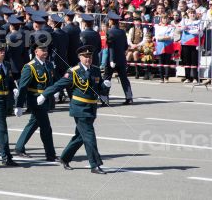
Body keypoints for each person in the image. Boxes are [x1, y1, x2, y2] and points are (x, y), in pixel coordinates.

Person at [36, 45, 110, 174]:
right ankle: (95, 164)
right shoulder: (74, 71)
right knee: (89, 136)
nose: (88, 59)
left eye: (90, 56)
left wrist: (105, 87)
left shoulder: (96, 70)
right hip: (80, 108)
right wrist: (44, 94)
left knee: (80, 136)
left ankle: (65, 158)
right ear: (79, 57)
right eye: (85, 56)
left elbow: (98, 88)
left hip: (92, 108)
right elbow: (59, 84)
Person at [14, 39, 59, 162]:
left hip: (46, 100)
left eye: (46, 49)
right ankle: (50, 154)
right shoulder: (30, 67)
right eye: (42, 50)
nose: (45, 52)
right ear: (36, 51)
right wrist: (18, 105)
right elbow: (23, 87)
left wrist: (56, 92)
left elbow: (52, 81)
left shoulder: (49, 64)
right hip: (35, 100)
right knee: (46, 128)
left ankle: (19, 147)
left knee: (33, 124)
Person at [102, 11, 133, 105]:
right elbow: (125, 47)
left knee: (107, 79)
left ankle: (104, 99)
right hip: (121, 59)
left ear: (111, 21)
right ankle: (129, 97)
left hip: (112, 59)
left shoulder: (110, 32)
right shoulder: (122, 32)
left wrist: (111, 60)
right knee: (124, 79)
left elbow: (111, 47)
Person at [154, 14, 174, 83]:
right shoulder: (157, 27)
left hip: (168, 45)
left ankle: (166, 77)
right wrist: (165, 37)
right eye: (163, 18)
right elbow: (157, 37)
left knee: (167, 62)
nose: (165, 20)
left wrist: (162, 37)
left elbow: (171, 36)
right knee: (161, 62)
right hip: (160, 46)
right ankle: (161, 77)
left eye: (166, 18)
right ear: (161, 19)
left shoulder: (171, 27)